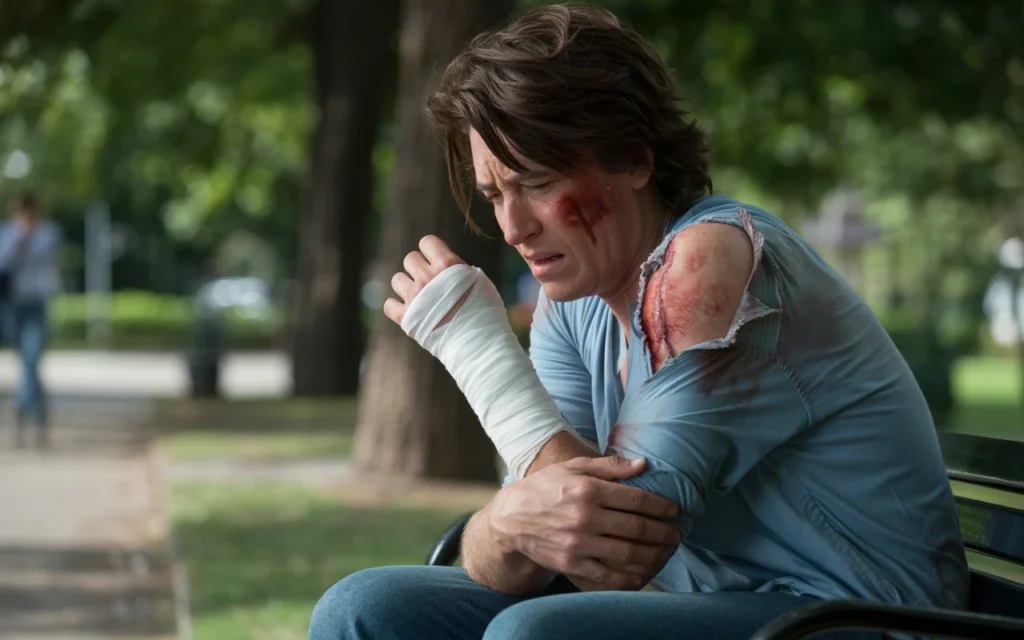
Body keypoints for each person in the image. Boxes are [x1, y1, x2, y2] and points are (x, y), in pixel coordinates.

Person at [309, 5, 968, 640]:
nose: (512, 227)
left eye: (535, 182)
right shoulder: (572, 300)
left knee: (534, 632)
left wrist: (479, 355)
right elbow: (541, 536)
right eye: (495, 194)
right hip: (734, 610)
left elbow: (611, 558)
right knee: (364, 608)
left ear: (634, 159)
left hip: (861, 620)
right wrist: (506, 525)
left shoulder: (707, 262)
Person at [0, 192, 62, 448]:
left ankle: (24, 411)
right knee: (26, 361)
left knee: (32, 357)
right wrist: (18, 238)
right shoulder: (7, 232)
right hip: (12, 304)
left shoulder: (48, 233)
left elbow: (46, 257)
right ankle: (39, 418)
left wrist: (29, 237)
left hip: (36, 302)